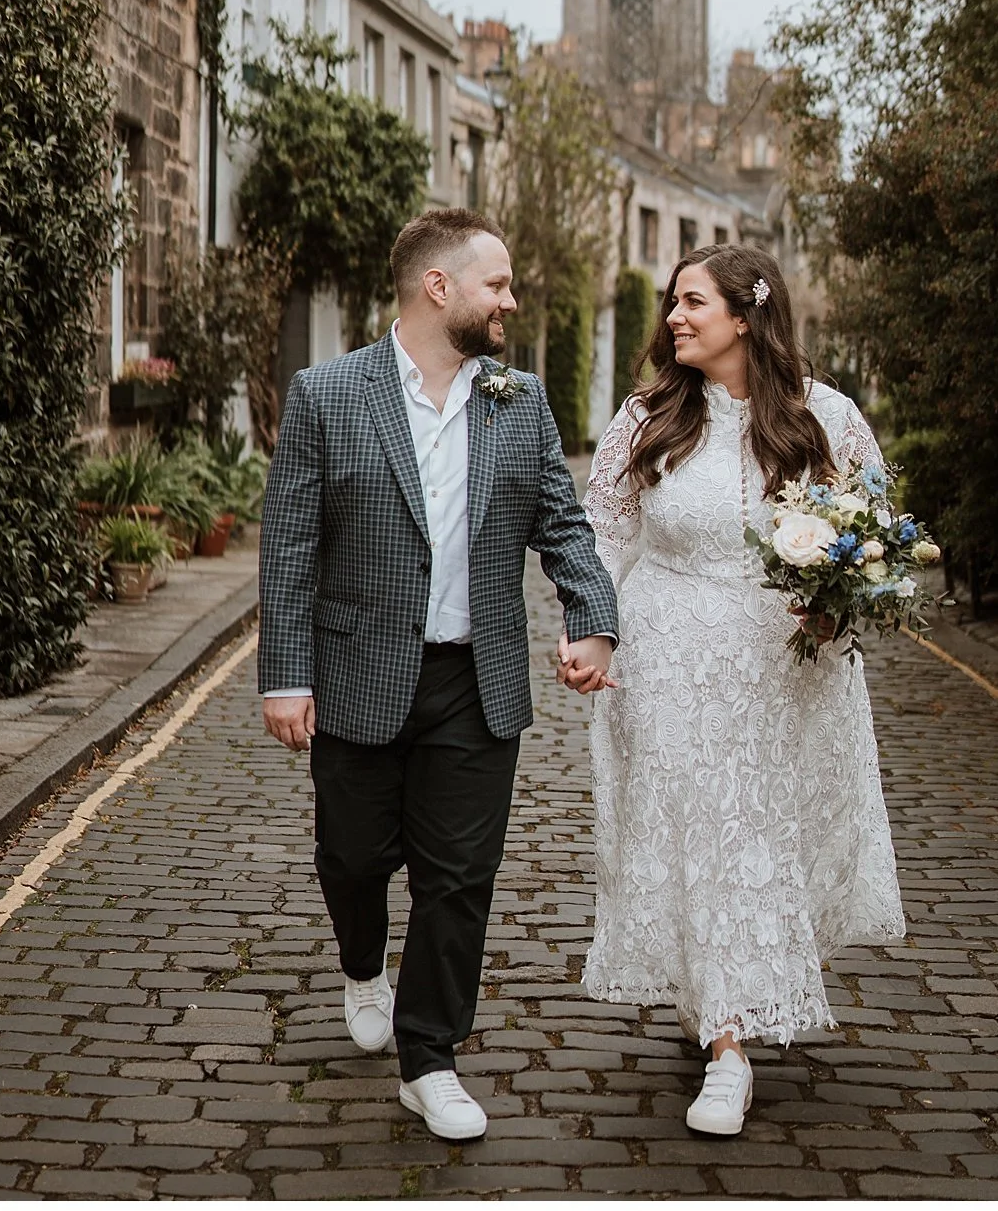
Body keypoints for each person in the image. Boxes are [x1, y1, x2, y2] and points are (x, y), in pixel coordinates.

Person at [258, 209, 618, 1141]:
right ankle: (361, 963)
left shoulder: (518, 399)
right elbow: (291, 546)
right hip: (357, 674)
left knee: (459, 877)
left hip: (475, 678)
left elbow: (563, 526)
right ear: (438, 287)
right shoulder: (326, 394)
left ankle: (431, 1057)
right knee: (352, 856)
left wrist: (595, 623)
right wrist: (284, 674)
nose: (510, 299)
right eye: (496, 283)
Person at [570, 243, 904, 1137]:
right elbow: (600, 538)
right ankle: (727, 1046)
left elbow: (869, 535)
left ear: (747, 315)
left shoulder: (823, 416)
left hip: (779, 667)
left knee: (756, 833)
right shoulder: (645, 418)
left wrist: (837, 607)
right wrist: (591, 632)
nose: (674, 317)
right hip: (669, 656)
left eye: (692, 302)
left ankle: (728, 992)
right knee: (691, 830)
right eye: (674, 302)